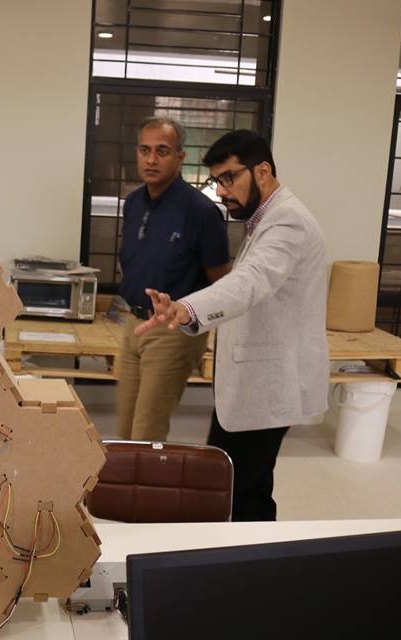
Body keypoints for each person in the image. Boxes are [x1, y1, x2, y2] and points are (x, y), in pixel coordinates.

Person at [135, 129, 329, 521]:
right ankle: (249, 554)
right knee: (244, 490)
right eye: (216, 181)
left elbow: (251, 282)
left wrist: (187, 308)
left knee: (233, 492)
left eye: (229, 178)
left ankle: (240, 555)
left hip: (268, 385)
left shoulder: (287, 221)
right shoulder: (265, 218)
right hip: (256, 386)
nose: (221, 192)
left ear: (262, 171)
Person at [116, 117, 231, 442]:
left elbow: (222, 284)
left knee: (146, 432)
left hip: (172, 330)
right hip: (134, 323)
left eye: (162, 151)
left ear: (180, 157)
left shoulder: (201, 212)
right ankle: (127, 478)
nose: (151, 159)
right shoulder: (134, 203)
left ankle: (147, 478)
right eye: (145, 150)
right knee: (123, 430)